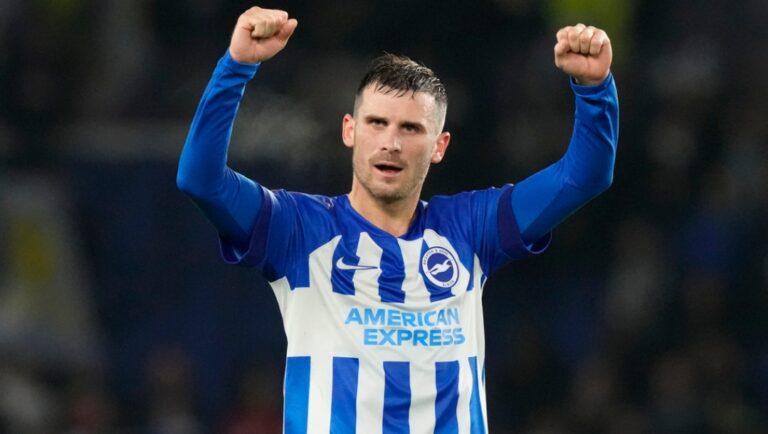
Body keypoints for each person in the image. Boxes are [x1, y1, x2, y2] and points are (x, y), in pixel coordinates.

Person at [177, 6, 618, 434]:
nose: (390, 142)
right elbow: (201, 180)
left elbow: (584, 176)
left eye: (410, 129)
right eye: (377, 122)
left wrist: (594, 87)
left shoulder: (471, 228)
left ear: (439, 145)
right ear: (349, 130)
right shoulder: (298, 230)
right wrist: (235, 66)